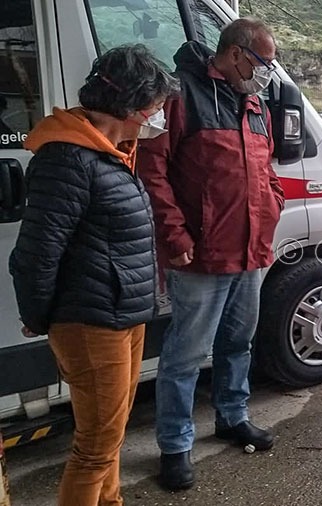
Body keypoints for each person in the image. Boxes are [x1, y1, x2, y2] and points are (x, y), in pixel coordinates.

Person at [8, 44, 178, 506]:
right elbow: (35, 253)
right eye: (155, 106)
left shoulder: (111, 152)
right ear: (131, 106)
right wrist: (37, 315)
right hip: (91, 322)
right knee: (95, 448)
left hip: (122, 313)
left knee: (110, 436)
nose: (158, 116)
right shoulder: (67, 159)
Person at [136, 18, 284, 491]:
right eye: (264, 62)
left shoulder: (254, 103)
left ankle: (232, 416)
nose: (267, 73)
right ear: (236, 53)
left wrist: (274, 205)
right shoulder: (181, 96)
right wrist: (174, 236)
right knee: (185, 355)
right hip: (200, 255)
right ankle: (175, 445)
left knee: (238, 343)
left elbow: (266, 168)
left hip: (251, 251)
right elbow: (152, 171)